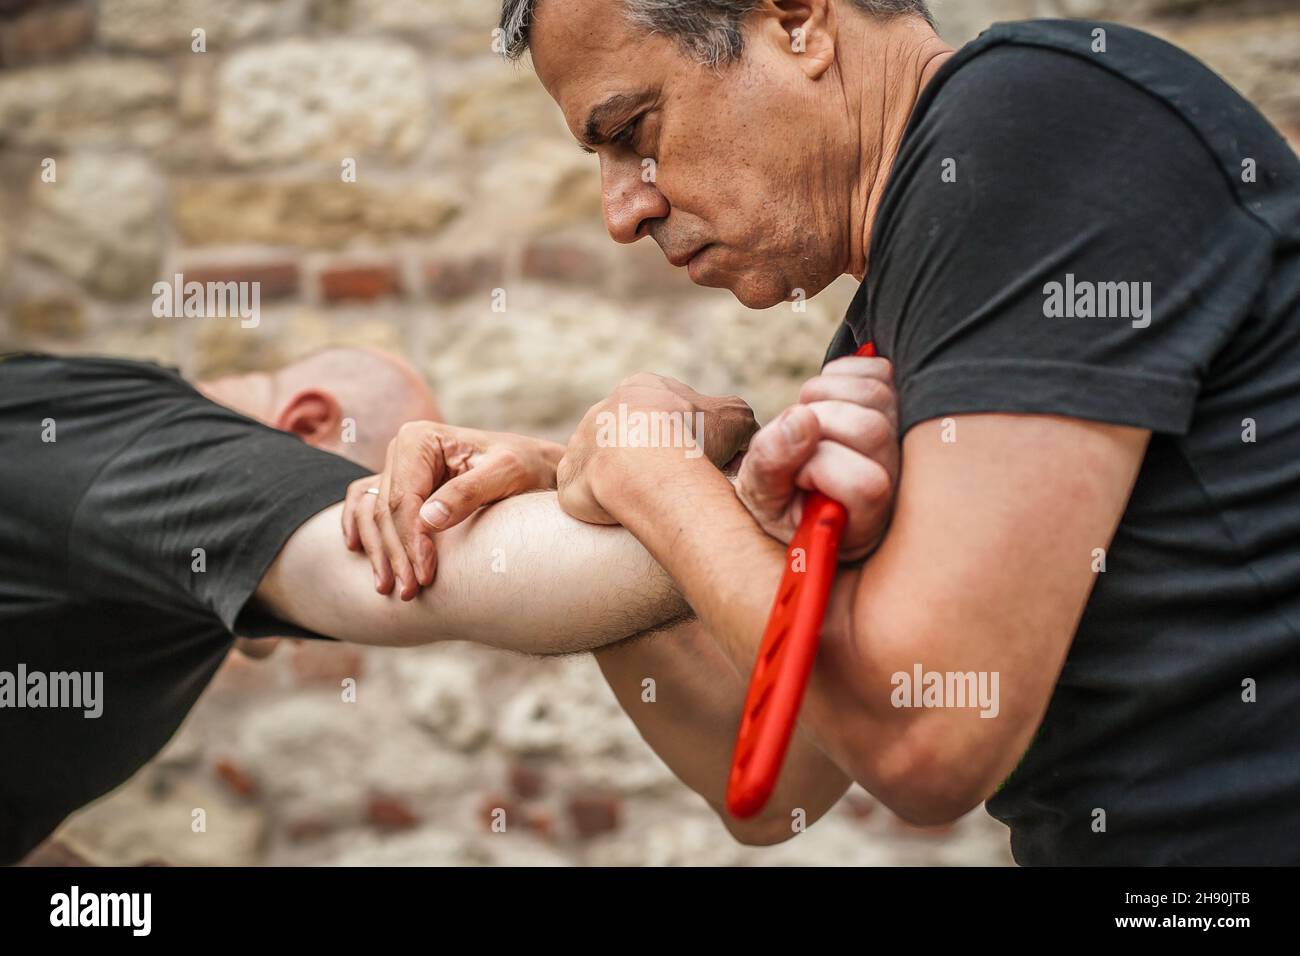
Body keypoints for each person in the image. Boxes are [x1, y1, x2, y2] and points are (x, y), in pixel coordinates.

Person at [358, 0, 1300, 864]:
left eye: (631, 133)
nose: (622, 209)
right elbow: (773, 784)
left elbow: (924, 734)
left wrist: (655, 479)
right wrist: (588, 488)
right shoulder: (888, 324)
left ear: (798, 21)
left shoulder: (1033, 121)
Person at [0, 347, 760, 862]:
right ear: (306, 429)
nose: (405, 509)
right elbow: (477, 578)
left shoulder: (84, 431)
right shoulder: (187, 464)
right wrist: (758, 490)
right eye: (391, 494)